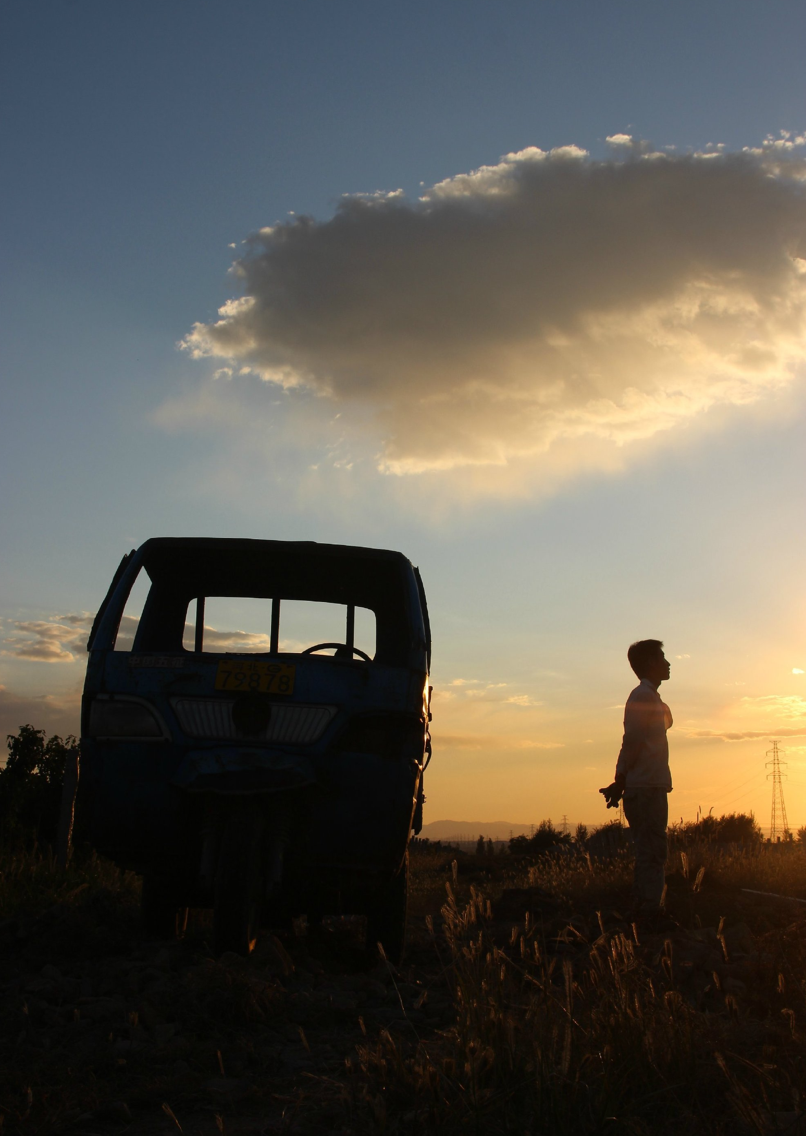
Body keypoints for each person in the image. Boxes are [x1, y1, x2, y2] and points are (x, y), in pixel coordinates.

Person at [600, 639, 674, 928]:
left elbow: (664, 722)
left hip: (646, 785)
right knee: (652, 850)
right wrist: (621, 780)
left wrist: (621, 781)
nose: (667, 663)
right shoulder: (643, 697)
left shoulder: (649, 697)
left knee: (650, 849)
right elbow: (631, 741)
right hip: (645, 787)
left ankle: (646, 908)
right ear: (649, 664)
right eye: (662, 658)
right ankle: (649, 912)